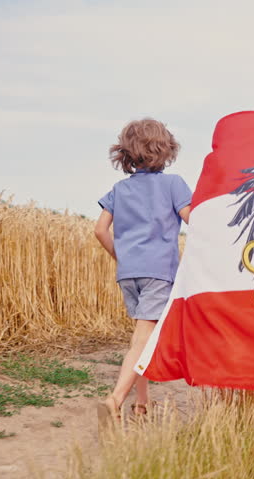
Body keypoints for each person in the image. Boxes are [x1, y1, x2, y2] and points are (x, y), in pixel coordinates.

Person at [94, 118, 192, 429]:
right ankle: (115, 400)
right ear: (166, 150)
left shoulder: (119, 189)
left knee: (142, 336)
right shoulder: (173, 185)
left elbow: (99, 230)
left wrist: (121, 257)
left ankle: (141, 400)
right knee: (143, 338)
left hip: (129, 274)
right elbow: (193, 220)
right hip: (158, 273)